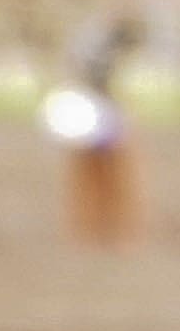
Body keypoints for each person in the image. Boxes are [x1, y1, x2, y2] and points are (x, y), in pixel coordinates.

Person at [45, 17, 142, 246]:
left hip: (95, 112)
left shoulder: (94, 45)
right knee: (102, 171)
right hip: (98, 112)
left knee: (97, 171)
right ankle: (100, 224)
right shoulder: (99, 49)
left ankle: (97, 224)